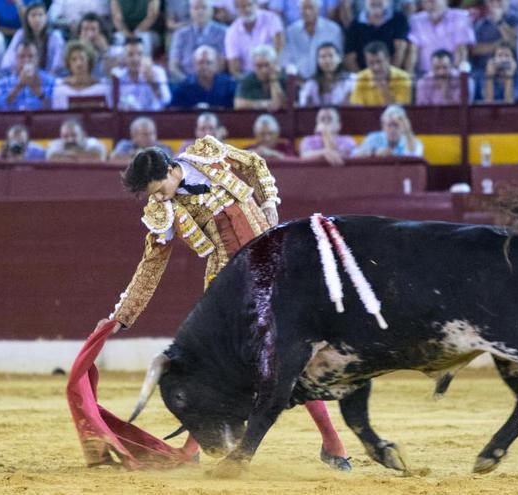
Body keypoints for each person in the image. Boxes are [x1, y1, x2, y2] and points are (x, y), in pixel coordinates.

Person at [97, 136, 352, 472]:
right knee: (230, 367)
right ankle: (330, 444)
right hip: (228, 287)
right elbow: (151, 265)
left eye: (159, 189)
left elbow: (255, 164)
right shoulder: (164, 211)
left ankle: (332, 442)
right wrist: (122, 315)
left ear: (172, 169)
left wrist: (270, 201)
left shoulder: (206, 153)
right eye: (151, 195)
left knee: (291, 357)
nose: (157, 198)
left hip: (275, 269)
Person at [406, 0, 475, 74]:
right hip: (424, 76)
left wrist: (458, 78)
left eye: (433, 1)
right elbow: (412, 53)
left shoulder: (460, 17)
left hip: (452, 75)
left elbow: (461, 51)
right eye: (426, 1)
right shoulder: (415, 20)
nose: (431, 4)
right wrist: (409, 78)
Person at [281, 0, 344, 79]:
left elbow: (339, 57)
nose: (307, 12)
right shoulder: (291, 31)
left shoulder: (333, 29)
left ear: (318, 9)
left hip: (327, 79)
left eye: (310, 8)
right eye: (303, 8)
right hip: (299, 80)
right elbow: (286, 60)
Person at [168, 0, 227, 82]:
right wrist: (187, 81)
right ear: (190, 11)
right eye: (196, 8)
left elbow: (222, 64)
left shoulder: (224, 32)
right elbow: (173, 67)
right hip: (186, 81)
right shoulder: (180, 34)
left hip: (214, 83)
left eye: (204, 7)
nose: (200, 11)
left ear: (211, 10)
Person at [0, 3, 65, 77]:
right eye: (33, 15)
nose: (37, 19)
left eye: (40, 15)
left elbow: (59, 62)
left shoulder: (55, 36)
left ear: (46, 17)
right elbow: (9, 57)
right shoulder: (20, 34)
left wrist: (48, 78)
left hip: (49, 77)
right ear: (27, 18)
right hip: (22, 76)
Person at [343, 0, 409, 71]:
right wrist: (363, 78)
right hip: (363, 76)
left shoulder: (398, 19)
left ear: (388, 2)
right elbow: (349, 57)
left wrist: (389, 76)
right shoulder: (354, 25)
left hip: (393, 74)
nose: (376, 1)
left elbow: (400, 50)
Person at [224, 0, 284, 77]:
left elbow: (280, 47)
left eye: (249, 5)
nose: (247, 9)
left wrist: (270, 70)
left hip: (273, 69)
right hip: (250, 76)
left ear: (256, 5)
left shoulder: (272, 19)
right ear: (236, 9)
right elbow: (234, 66)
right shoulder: (232, 32)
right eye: (242, 7)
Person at [0, 40, 55, 111]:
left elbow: (54, 108)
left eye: (30, 56)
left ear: (37, 59)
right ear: (16, 58)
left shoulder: (50, 81)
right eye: (22, 57)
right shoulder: (3, 83)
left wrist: (39, 92)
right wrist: (18, 87)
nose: (26, 60)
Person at [113, 37, 172, 111]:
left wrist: (153, 83)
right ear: (124, 58)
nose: (135, 59)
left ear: (146, 55)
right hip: (127, 118)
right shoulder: (118, 76)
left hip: (153, 118)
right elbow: (112, 104)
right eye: (130, 55)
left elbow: (166, 100)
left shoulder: (158, 72)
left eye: (139, 54)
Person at [170, 45, 237, 109]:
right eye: (200, 62)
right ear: (194, 64)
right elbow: (175, 112)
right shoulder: (182, 87)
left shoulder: (229, 86)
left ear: (216, 64)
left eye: (208, 62)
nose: (204, 67)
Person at [349, 41, 412, 105]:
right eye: (371, 63)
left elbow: (400, 110)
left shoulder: (403, 78)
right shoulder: (360, 78)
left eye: (379, 62)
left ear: (388, 60)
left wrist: (383, 89)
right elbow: (357, 110)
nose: (376, 67)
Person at [52, 41, 109, 110]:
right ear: (68, 63)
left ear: (89, 61)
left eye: (82, 59)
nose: (79, 63)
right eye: (74, 59)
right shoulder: (60, 88)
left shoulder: (102, 88)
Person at [470, 0, 518, 76]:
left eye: (499, 1)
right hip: (484, 71)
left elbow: (515, 44)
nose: (495, 4)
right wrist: (497, 46)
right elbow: (473, 49)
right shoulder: (480, 24)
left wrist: (499, 22)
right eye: (491, 1)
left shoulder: (517, 19)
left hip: (511, 70)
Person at [352, 104, 423, 157]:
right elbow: (354, 155)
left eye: (396, 125)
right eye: (389, 125)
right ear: (383, 126)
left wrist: (407, 132)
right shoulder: (373, 138)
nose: (393, 129)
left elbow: (415, 156)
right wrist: (374, 152)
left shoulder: (414, 142)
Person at [76, 13, 112, 78]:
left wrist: (104, 51)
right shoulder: (71, 51)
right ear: (80, 32)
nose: (90, 34)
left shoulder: (110, 50)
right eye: (86, 29)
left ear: (100, 32)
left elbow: (110, 75)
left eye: (93, 29)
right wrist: (81, 49)